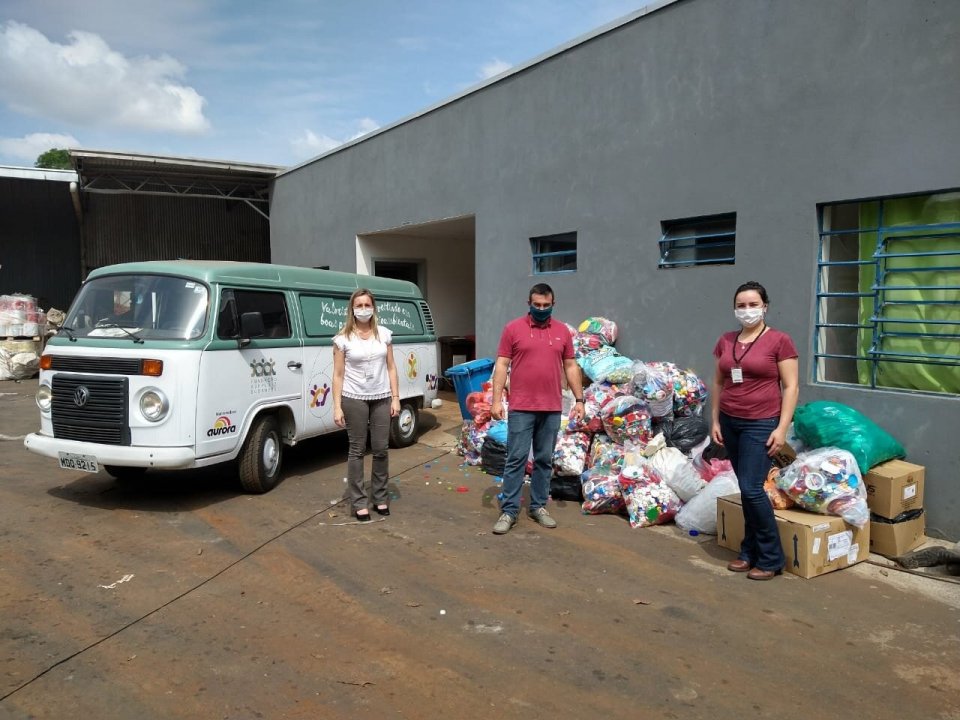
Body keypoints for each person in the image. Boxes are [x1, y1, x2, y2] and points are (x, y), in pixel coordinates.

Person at [711, 281, 799, 580]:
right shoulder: (726, 340)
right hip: (730, 420)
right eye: (741, 305)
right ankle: (749, 552)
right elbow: (719, 383)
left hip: (761, 422)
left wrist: (782, 427)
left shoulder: (779, 341)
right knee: (747, 491)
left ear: (765, 306)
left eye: (753, 304)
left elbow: (791, 386)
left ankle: (772, 558)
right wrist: (715, 420)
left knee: (751, 488)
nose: (747, 310)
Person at [490, 283, 585, 534]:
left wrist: (580, 400)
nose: (541, 309)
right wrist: (496, 400)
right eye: (536, 305)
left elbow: (571, 366)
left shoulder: (562, 331)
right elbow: (501, 365)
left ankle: (538, 506)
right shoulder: (513, 329)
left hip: (551, 407)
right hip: (522, 407)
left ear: (553, 304)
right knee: (516, 459)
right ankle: (509, 510)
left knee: (544, 460)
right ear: (528, 303)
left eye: (546, 305)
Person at [332, 289, 401, 521]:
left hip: (381, 397)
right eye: (358, 305)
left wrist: (395, 397)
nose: (363, 309)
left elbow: (391, 367)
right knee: (357, 449)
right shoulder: (343, 339)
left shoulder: (384, 335)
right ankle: (359, 502)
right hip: (354, 398)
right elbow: (338, 375)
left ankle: (380, 498)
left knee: (381, 449)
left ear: (374, 307)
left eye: (367, 305)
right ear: (352, 309)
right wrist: (337, 406)